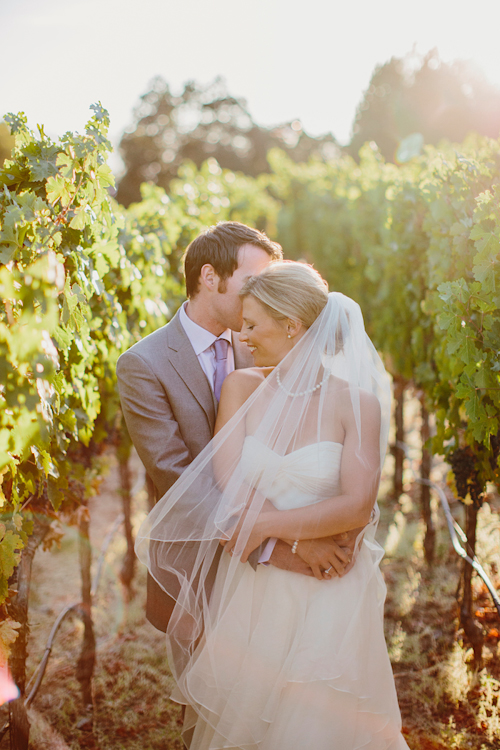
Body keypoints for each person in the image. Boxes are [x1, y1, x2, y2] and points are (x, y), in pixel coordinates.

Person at [136, 261, 410, 749]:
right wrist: (297, 541)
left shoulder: (359, 403)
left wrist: (266, 525)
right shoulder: (240, 389)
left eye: (251, 324)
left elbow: (358, 505)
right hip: (257, 586)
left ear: (291, 325)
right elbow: (229, 486)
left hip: (331, 588)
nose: (242, 337)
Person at [117, 222, 355, 633]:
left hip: (282, 572)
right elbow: (178, 477)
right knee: (204, 689)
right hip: (198, 561)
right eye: (253, 281)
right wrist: (287, 546)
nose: (262, 295)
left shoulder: (268, 341)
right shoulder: (143, 364)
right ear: (210, 278)